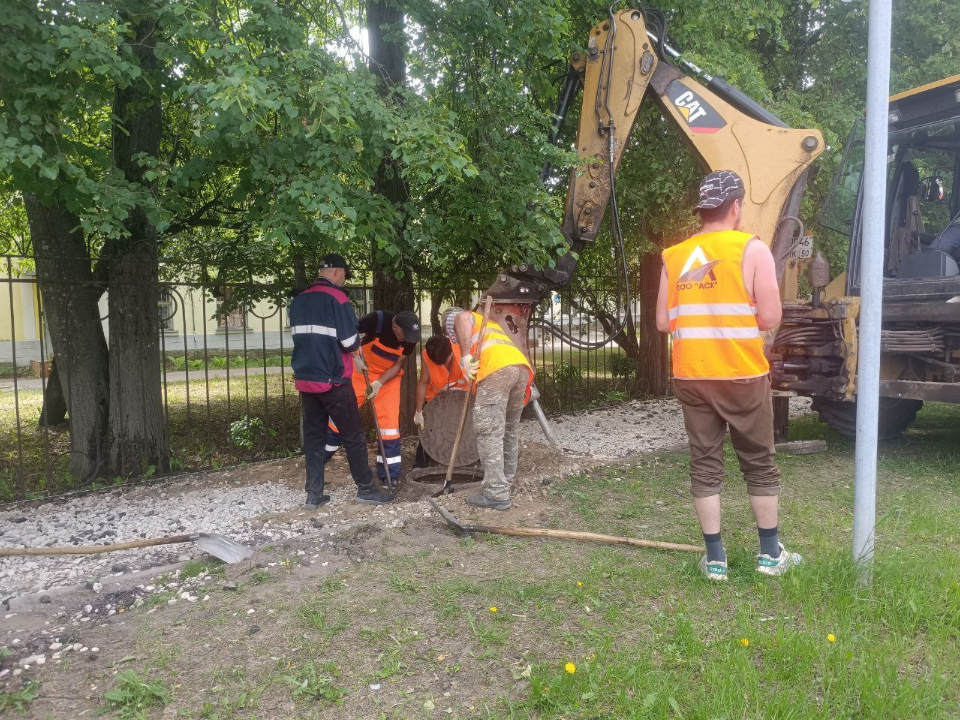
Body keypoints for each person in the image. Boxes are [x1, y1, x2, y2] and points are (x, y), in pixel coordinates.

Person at [655, 170, 802, 581]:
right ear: (735, 207)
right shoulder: (752, 250)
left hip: (693, 375)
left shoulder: (674, 256)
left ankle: (715, 560)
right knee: (759, 464)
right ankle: (770, 555)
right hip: (742, 374)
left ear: (702, 210)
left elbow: (664, 323)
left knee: (705, 464)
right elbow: (771, 316)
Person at [289, 254, 394, 508]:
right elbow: (349, 342)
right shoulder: (338, 299)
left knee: (314, 438)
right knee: (353, 435)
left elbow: (312, 338)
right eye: (345, 275)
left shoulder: (299, 300)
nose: (345, 280)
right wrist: (356, 355)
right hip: (334, 379)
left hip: (306, 379)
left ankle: (314, 495)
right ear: (337, 272)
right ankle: (367, 489)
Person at [443, 304, 532, 510]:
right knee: (509, 429)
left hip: (497, 371)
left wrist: (465, 356)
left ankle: (496, 493)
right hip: (519, 368)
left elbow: (462, 317)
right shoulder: (486, 324)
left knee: (489, 432)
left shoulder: (461, 318)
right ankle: (506, 482)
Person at [325, 308, 421, 487]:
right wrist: (355, 358)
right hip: (361, 371)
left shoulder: (410, 337)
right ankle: (322, 454)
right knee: (343, 413)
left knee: (389, 427)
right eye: (404, 334)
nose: (407, 340)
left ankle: (389, 475)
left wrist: (379, 384)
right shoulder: (378, 319)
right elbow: (346, 333)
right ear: (394, 326)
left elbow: (398, 364)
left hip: (387, 378)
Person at [412, 335, 467, 466]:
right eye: (439, 363)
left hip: (462, 399)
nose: (443, 365)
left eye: (446, 361)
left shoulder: (464, 353)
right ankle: (421, 463)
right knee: (430, 428)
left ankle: (468, 459)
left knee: (464, 429)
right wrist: (419, 411)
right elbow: (423, 383)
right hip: (436, 399)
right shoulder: (428, 356)